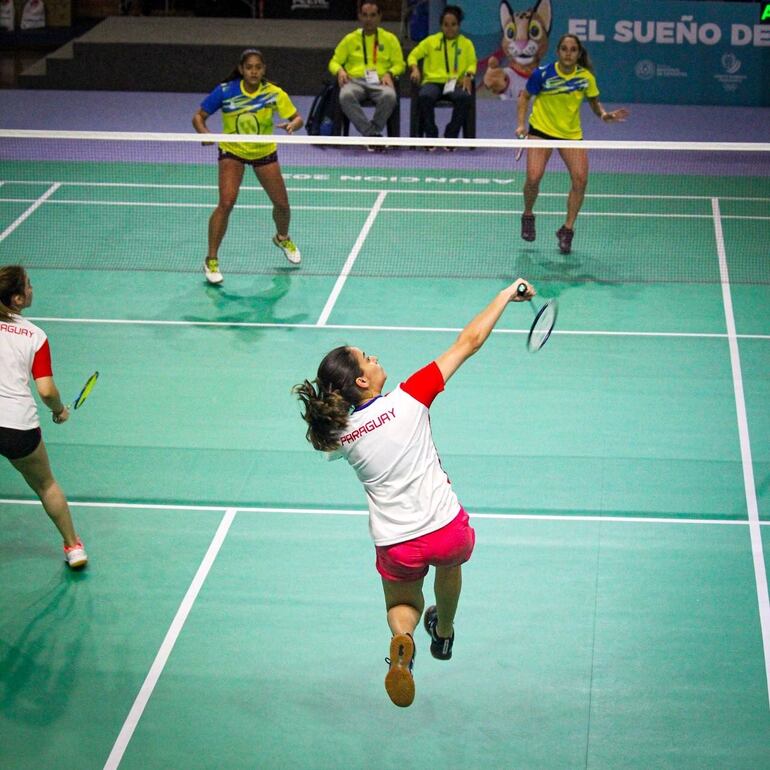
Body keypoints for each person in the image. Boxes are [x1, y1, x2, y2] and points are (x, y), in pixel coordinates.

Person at [293, 278, 536, 707]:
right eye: (366, 359)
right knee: (449, 566)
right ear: (363, 382)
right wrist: (505, 295)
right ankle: (443, 634)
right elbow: (470, 341)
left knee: (403, 601)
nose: (375, 358)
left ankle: (403, 641)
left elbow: (327, 440)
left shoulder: (341, 436)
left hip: (398, 542)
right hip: (445, 528)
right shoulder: (411, 395)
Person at [0, 265, 88, 570]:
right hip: (16, 427)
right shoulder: (34, 336)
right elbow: (47, 390)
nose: (32, 288)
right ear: (17, 299)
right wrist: (58, 411)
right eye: (28, 285)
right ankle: (73, 547)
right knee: (46, 485)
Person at [193, 48, 304, 285]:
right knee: (226, 202)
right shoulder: (226, 91)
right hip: (232, 151)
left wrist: (292, 125)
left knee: (282, 205)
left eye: (258, 67)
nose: (254, 71)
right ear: (242, 69)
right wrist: (204, 133)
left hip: (263, 151)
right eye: (249, 67)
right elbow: (198, 117)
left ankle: (282, 238)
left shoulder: (273, 93)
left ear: (264, 70)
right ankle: (211, 259)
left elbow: (298, 117)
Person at [515, 33, 629, 254]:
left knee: (581, 179)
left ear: (578, 53)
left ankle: (567, 230)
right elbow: (524, 97)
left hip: (570, 135)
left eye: (573, 49)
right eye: (564, 49)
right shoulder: (543, 73)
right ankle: (528, 214)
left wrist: (605, 116)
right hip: (541, 131)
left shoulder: (586, 77)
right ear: (558, 52)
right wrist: (521, 125)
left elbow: (595, 104)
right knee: (533, 177)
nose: (568, 53)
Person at [328, 1, 405, 143]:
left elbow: (400, 64)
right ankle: (372, 135)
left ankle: (371, 133)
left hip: (380, 81)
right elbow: (334, 61)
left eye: (373, 15)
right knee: (345, 95)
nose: (368, 19)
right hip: (355, 81)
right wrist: (340, 71)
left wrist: (390, 73)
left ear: (380, 16)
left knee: (390, 96)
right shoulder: (350, 39)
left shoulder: (390, 39)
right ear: (359, 17)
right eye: (365, 15)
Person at [407, 5, 476, 145]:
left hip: (455, 83)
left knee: (463, 97)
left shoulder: (466, 44)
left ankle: (450, 136)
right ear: (441, 26)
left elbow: (472, 63)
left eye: (453, 24)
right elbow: (413, 55)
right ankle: (431, 135)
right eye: (446, 25)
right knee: (425, 96)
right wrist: (414, 68)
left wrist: (468, 75)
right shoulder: (431, 41)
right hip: (433, 82)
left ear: (459, 25)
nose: (449, 28)